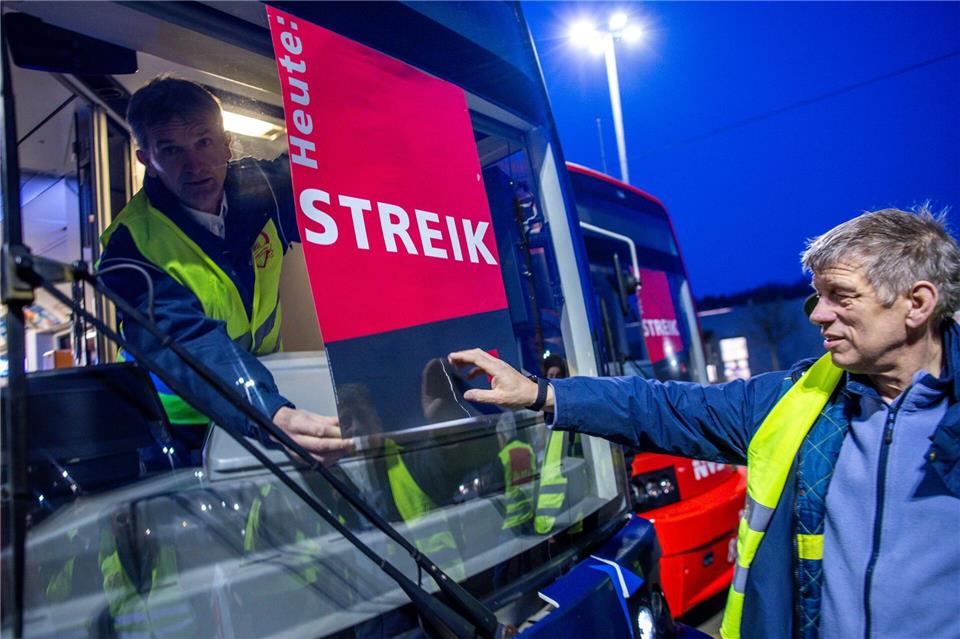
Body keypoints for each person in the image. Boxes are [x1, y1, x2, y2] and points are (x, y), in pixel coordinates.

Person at [449, 208, 960, 639]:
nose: (817, 315)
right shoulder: (800, 401)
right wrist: (542, 393)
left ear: (917, 304)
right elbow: (659, 407)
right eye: (816, 296)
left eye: (841, 296)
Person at [98, 76, 349, 464]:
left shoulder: (265, 189)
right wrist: (266, 411)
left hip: (262, 404)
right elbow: (184, 339)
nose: (195, 164)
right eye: (171, 149)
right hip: (174, 430)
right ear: (146, 160)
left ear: (227, 142)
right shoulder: (129, 246)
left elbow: (345, 188)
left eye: (204, 142)